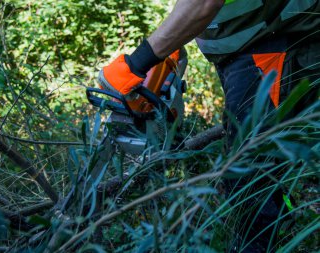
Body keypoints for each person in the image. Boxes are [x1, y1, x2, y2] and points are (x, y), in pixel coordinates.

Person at [98, 0, 320, 252]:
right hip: (246, 43)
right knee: (251, 158)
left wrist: (138, 62)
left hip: (278, 39)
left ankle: (262, 240)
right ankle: (280, 213)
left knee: (248, 170)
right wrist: (169, 47)